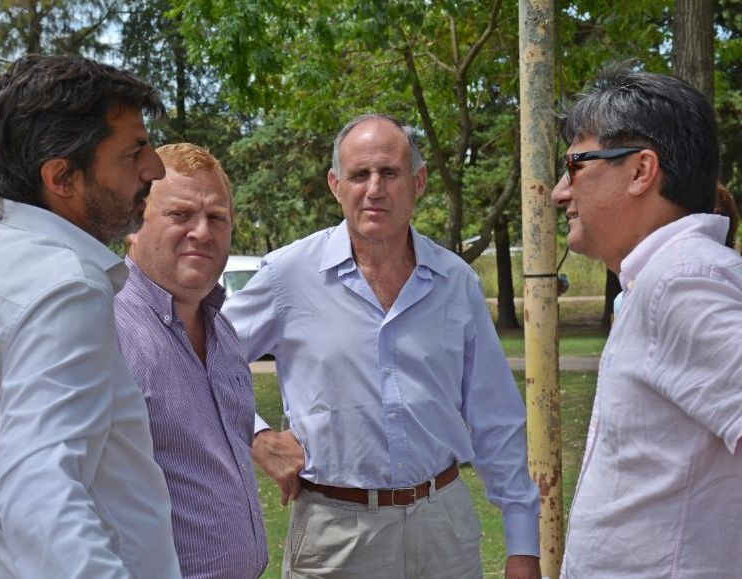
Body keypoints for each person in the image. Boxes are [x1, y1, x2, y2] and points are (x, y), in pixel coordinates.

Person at [224, 114, 541, 579]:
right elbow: (199, 360)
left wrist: (522, 545)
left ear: (418, 181)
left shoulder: (456, 282)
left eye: (389, 173)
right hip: (335, 534)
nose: (374, 188)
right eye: (359, 174)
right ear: (336, 185)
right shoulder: (287, 276)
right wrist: (257, 436)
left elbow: (495, 417)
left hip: (444, 528)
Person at [0, 55, 182, 578]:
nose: (156, 169)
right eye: (134, 151)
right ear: (62, 177)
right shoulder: (65, 287)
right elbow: (38, 496)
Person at [551, 66, 742, 577]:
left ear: (640, 171)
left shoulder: (681, 281)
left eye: (573, 165)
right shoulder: (658, 279)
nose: (558, 193)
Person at [114, 143, 268, 578]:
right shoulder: (103, 329)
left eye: (217, 217)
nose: (202, 231)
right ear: (132, 223)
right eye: (180, 215)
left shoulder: (223, 332)